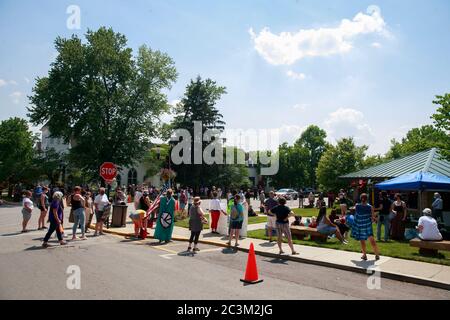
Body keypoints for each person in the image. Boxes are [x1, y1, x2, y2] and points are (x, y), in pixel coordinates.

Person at [352, 193, 380, 261]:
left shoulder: (357, 205)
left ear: (360, 198)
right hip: (368, 226)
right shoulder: (370, 207)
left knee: (362, 241)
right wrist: (375, 219)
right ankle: (376, 255)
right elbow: (373, 217)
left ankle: (364, 255)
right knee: (372, 240)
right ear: (367, 199)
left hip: (360, 226)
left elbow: (355, 211)